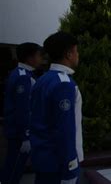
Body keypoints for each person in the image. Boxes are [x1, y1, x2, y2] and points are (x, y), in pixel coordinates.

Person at [30, 32, 82, 184]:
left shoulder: (42, 79)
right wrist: (70, 166)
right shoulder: (64, 84)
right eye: (76, 51)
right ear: (69, 54)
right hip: (58, 164)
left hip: (42, 158)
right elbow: (64, 130)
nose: (78, 55)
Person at [2, 43, 42, 184]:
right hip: (18, 133)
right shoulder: (23, 78)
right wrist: (25, 136)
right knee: (14, 169)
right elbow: (22, 109)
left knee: (12, 165)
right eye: (38, 55)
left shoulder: (19, 74)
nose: (41, 59)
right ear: (29, 58)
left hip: (15, 130)